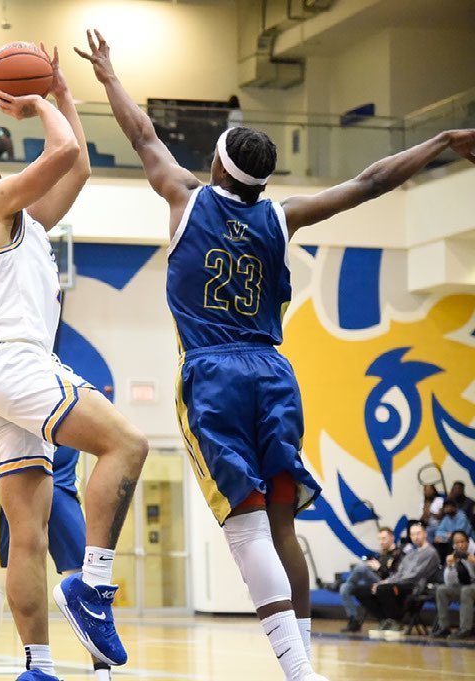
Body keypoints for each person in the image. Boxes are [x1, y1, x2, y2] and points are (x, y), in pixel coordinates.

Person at [75, 27, 474, 681]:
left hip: (214, 373)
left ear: (218, 167)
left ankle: (298, 671)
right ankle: (306, 663)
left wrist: (110, 75)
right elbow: (371, 181)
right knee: (284, 521)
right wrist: (441, 142)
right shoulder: (282, 217)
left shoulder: (184, 198)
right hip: (274, 374)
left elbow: (143, 133)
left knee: (248, 525)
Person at [0, 43, 148, 681]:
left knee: (26, 537)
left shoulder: (25, 224)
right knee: (128, 443)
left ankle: (36, 664)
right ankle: (91, 585)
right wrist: (36, 101)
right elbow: (56, 153)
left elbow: (78, 166)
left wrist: (63, 93)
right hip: (18, 363)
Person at [0, 437, 112, 681]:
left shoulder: (3, 399)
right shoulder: (76, 397)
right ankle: (103, 676)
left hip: (20, 496)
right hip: (63, 494)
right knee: (86, 588)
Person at [352, 523, 441, 635]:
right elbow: (399, 573)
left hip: (415, 585)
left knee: (384, 589)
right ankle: (383, 619)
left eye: (418, 533)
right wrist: (384, 581)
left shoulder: (430, 553)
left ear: (425, 534)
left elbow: (414, 575)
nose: (415, 537)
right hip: (400, 582)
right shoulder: (411, 553)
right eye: (412, 534)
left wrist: (387, 583)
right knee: (360, 591)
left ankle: (395, 621)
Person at [339, 527, 402, 632]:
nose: (381, 542)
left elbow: (397, 575)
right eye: (380, 539)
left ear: (392, 538)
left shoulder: (399, 554)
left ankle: (344, 582)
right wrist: (372, 567)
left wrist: (379, 568)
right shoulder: (380, 555)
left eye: (384, 538)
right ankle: (353, 620)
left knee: (360, 568)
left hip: (387, 584)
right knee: (345, 587)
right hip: (374, 582)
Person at [431, 530, 475, 639]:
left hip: (470, 588)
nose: (460, 545)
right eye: (457, 542)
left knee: (467, 590)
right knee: (442, 590)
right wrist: (450, 567)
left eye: (463, 542)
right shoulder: (454, 556)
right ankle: (444, 627)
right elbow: (450, 583)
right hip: (466, 587)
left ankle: (465, 629)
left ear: (468, 542)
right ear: (453, 545)